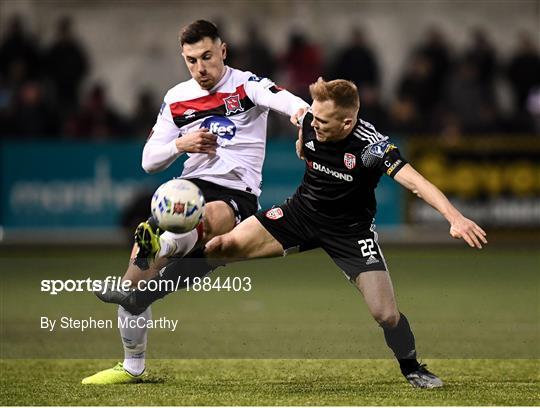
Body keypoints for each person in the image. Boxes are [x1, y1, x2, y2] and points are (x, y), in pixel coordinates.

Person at [97, 78, 487, 388]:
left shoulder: (371, 146)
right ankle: (142, 290)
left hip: (349, 231)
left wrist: (454, 216)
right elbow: (304, 141)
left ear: (347, 123)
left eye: (322, 120)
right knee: (220, 246)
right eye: (312, 116)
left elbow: (416, 182)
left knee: (385, 314)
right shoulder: (308, 121)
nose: (312, 122)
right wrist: (304, 142)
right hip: (301, 213)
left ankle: (412, 366)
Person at [81, 19, 308, 384]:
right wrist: (179, 145)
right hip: (186, 189)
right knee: (132, 287)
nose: (200, 68)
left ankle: (169, 240)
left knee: (211, 216)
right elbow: (149, 160)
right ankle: (132, 365)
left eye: (206, 57)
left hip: (236, 194)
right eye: (191, 60)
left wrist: (304, 117)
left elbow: (282, 99)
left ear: (223, 50)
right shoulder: (176, 98)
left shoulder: (246, 86)